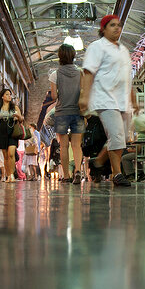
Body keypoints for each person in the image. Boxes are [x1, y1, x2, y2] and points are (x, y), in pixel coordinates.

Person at [79, 14, 138, 187]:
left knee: (120, 139)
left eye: (119, 25)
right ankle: (117, 174)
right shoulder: (97, 47)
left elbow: (127, 77)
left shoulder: (124, 50)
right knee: (117, 135)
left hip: (122, 102)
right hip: (105, 99)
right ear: (103, 29)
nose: (117, 28)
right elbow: (88, 72)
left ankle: (98, 162)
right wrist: (84, 96)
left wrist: (133, 99)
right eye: (112, 25)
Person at [51, 43, 85, 184]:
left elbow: (53, 96)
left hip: (61, 113)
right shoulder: (81, 72)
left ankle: (66, 176)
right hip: (78, 112)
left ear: (60, 56)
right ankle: (78, 169)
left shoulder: (55, 74)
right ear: (73, 56)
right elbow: (84, 92)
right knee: (76, 145)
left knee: (63, 146)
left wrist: (61, 92)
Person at [0, 88, 23, 182]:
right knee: (5, 156)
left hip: (12, 130)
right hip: (2, 130)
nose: (9, 96)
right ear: (2, 96)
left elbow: (21, 119)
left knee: (11, 153)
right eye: (7, 94)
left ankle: (12, 175)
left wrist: (17, 116)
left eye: (10, 95)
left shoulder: (15, 107)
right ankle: (8, 175)